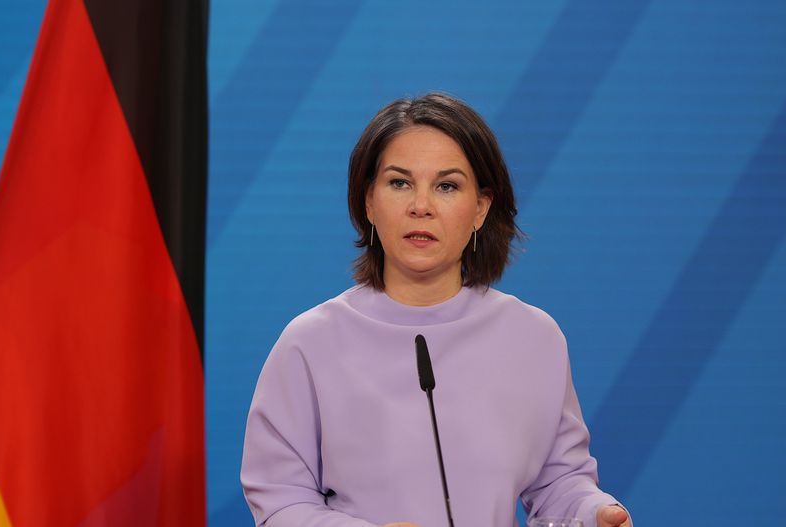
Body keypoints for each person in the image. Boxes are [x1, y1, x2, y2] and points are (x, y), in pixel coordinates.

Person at [240, 93, 632, 527]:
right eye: (399, 183)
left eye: (447, 186)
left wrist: (593, 513)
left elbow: (559, 483)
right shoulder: (310, 343)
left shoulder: (533, 337)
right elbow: (280, 503)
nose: (420, 206)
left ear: (481, 208)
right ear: (369, 201)